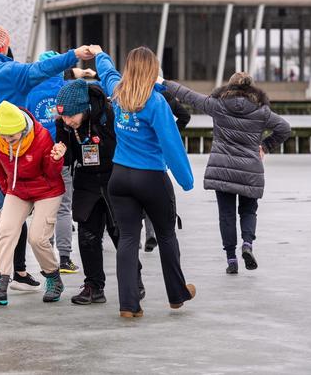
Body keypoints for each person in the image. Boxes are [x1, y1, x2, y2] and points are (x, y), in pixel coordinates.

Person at [0, 23, 93, 285]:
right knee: (12, 213)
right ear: (4, 47)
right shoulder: (12, 72)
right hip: (8, 152)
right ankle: (18, 271)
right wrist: (74, 54)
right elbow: (43, 68)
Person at [92, 45, 196, 318]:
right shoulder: (155, 102)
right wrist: (186, 180)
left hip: (120, 177)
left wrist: (100, 54)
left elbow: (106, 74)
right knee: (166, 235)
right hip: (150, 178)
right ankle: (177, 295)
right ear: (152, 70)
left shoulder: (117, 93)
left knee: (128, 238)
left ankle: (128, 305)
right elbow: (171, 145)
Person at [162, 72, 291, 274]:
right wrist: (265, 146)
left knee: (227, 215)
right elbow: (284, 128)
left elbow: (188, 95)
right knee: (248, 211)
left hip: (222, 169)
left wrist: (162, 82)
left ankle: (231, 259)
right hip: (250, 170)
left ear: (228, 87)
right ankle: (247, 244)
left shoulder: (218, 105)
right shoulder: (261, 110)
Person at [56, 79, 147, 305]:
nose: (67, 121)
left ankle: (134, 279)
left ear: (84, 109)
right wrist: (60, 152)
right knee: (88, 236)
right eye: (63, 117)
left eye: (71, 116)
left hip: (115, 178)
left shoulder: (110, 114)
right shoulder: (65, 124)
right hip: (86, 181)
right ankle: (94, 286)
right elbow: (68, 159)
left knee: (120, 234)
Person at [0, 101, 67, 306]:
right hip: (17, 189)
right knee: (5, 229)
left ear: (23, 130)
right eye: (4, 136)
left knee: (37, 238)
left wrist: (57, 159)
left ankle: (53, 278)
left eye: (13, 137)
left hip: (47, 190)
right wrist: (8, 189)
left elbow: (52, 173)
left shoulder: (41, 137)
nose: (8, 142)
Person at [25, 50, 79, 274]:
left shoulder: (30, 91)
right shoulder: (66, 91)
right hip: (62, 154)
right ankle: (65, 259)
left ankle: (46, 253)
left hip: (36, 157)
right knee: (64, 208)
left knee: (41, 208)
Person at [143, 86, 191, 252]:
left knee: (144, 191)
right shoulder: (167, 96)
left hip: (143, 147)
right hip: (161, 149)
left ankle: (150, 232)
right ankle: (164, 226)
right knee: (159, 187)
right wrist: (172, 131)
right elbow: (186, 116)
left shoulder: (142, 95)